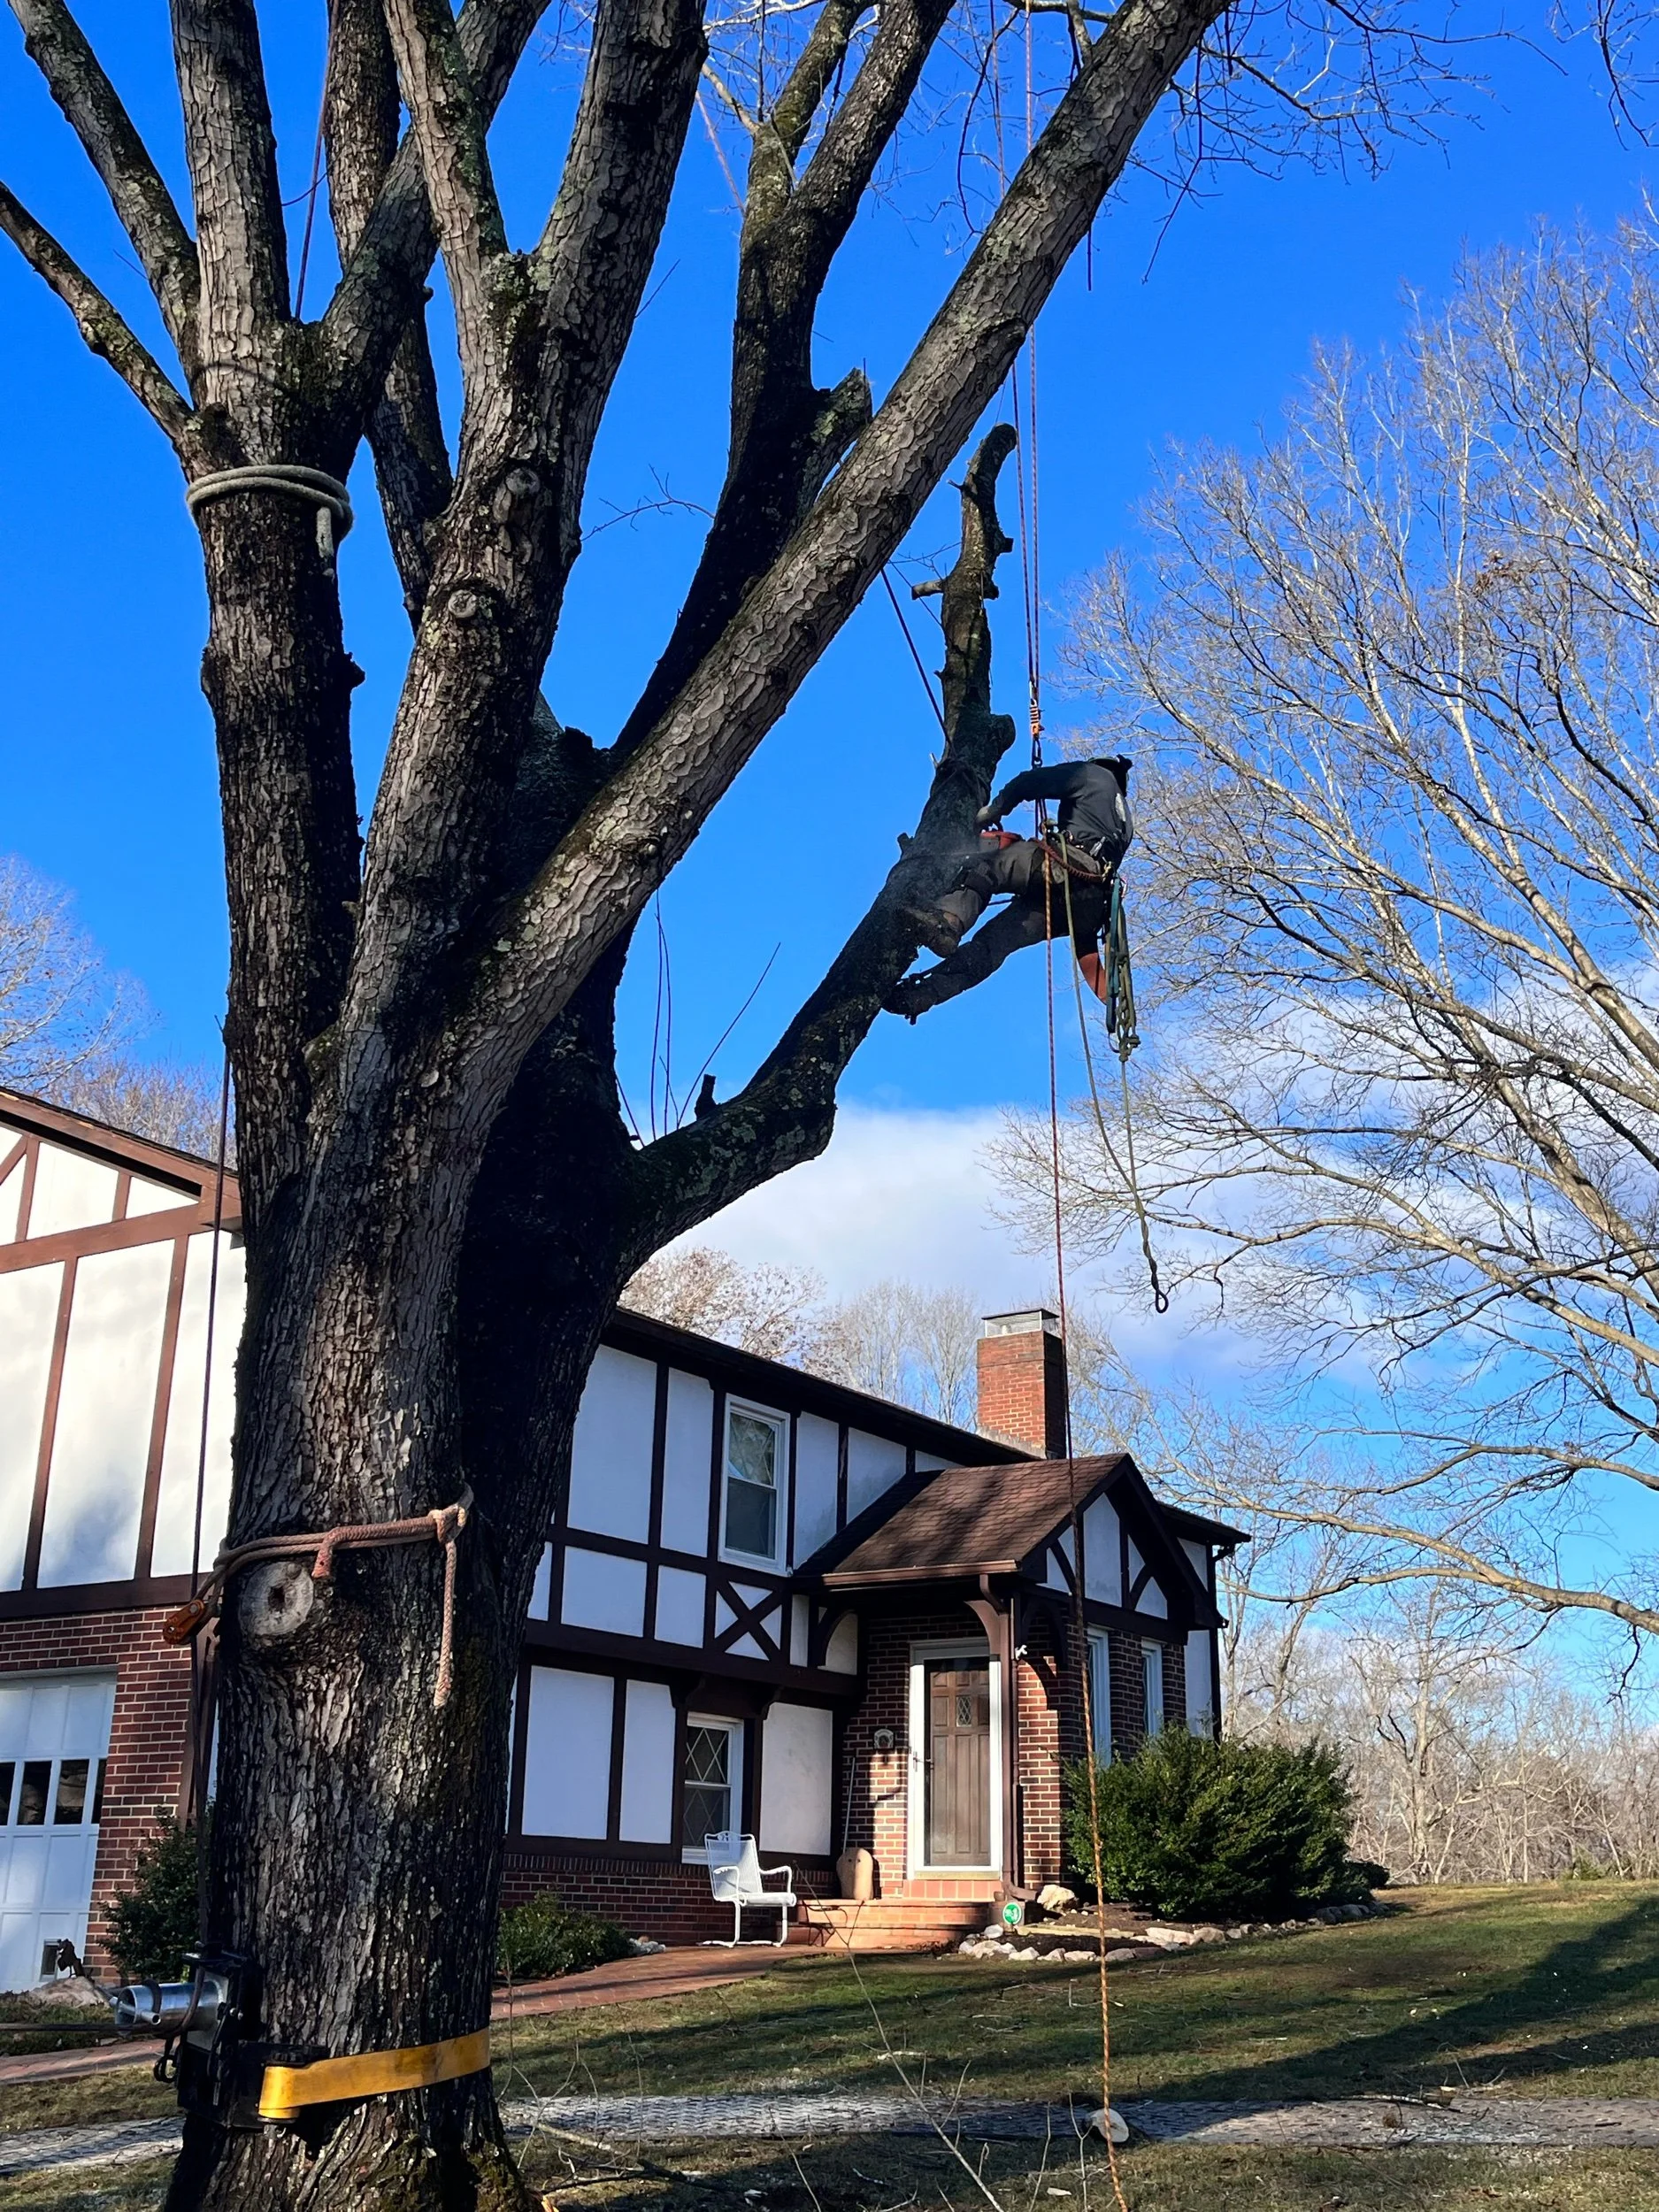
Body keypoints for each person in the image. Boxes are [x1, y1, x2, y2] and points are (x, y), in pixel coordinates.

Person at [887, 755, 1133, 1018]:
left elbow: (1031, 782)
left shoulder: (1093, 774)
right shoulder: (1125, 822)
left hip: (1065, 866)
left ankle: (947, 922)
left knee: (990, 864)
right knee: (992, 945)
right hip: (1090, 902)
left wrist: (994, 810)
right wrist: (1109, 995)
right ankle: (923, 994)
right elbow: (1084, 942)